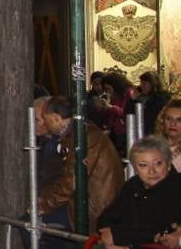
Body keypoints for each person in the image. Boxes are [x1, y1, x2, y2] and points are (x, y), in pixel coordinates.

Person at [37, 95, 125, 233]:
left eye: (44, 118)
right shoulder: (77, 133)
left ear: (56, 118)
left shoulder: (83, 137)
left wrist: (45, 202)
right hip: (87, 202)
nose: (43, 123)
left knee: (31, 225)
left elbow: (73, 180)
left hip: (94, 208)